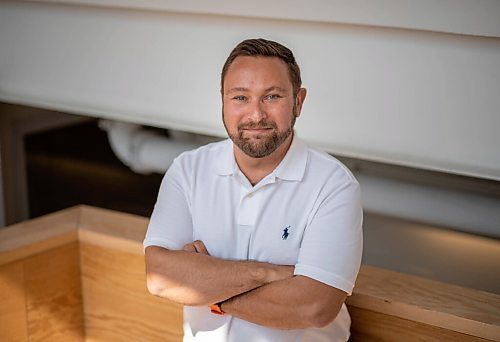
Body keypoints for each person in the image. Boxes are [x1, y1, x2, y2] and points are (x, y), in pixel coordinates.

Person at [144, 38, 363, 342]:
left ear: (298, 102)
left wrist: (211, 293)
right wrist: (267, 274)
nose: (256, 115)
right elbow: (159, 279)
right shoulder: (188, 170)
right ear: (223, 100)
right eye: (240, 98)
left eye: (272, 96)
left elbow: (315, 307)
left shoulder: (334, 185)